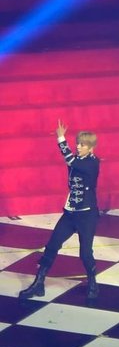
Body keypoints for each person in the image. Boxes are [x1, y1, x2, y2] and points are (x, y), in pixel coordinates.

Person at [19, 120, 100, 300]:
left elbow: (69, 160)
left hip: (87, 215)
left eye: (82, 145)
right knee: (52, 245)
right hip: (70, 212)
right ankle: (38, 283)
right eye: (78, 143)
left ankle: (93, 283)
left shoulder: (92, 163)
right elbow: (71, 161)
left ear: (91, 147)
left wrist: (61, 138)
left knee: (85, 253)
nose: (78, 147)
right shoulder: (79, 160)